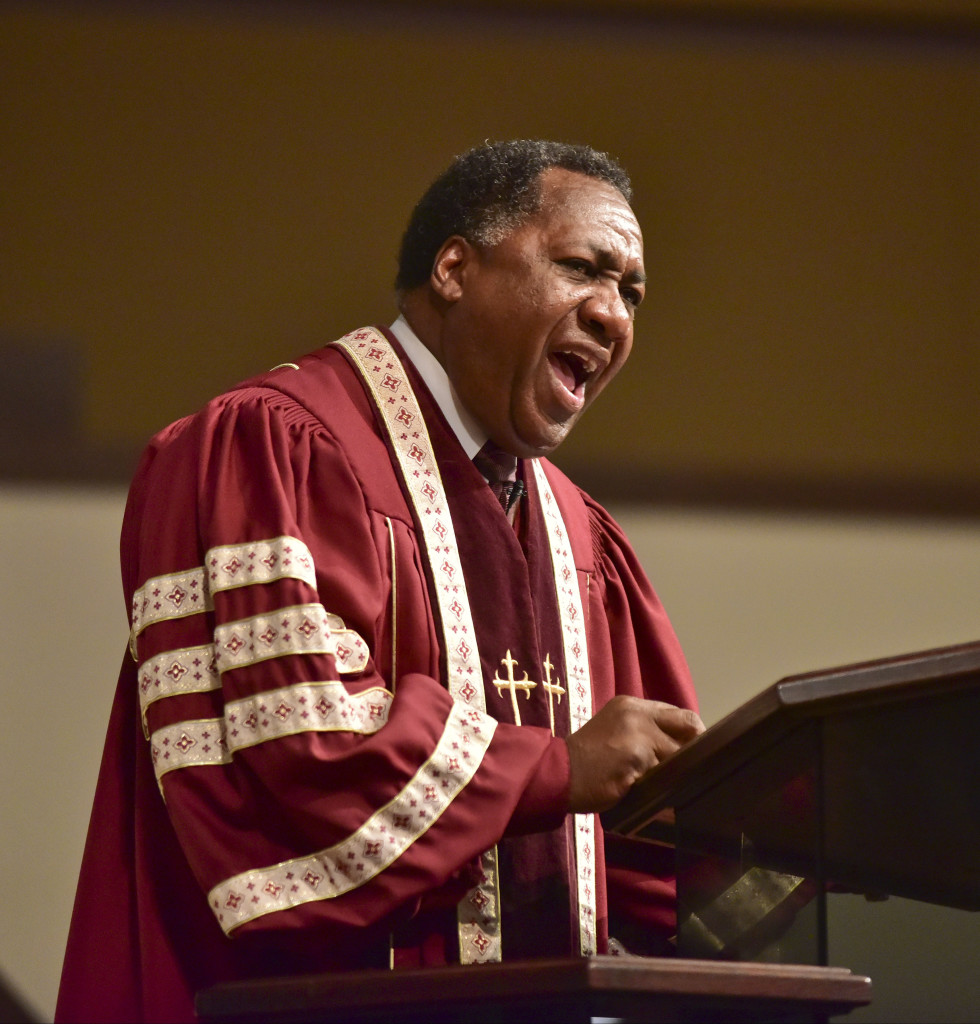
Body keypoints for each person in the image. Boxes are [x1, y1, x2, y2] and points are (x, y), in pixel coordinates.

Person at [56, 140, 703, 1023]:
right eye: (582, 268)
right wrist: (555, 768)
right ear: (453, 269)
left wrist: (791, 846)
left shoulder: (581, 538)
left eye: (631, 292)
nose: (612, 313)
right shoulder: (272, 450)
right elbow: (301, 754)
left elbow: (653, 842)